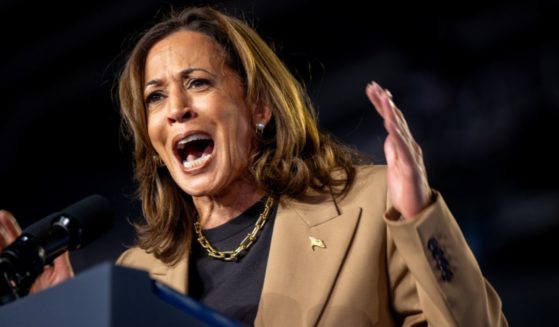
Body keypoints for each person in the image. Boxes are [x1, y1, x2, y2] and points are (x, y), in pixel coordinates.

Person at [0, 6, 507, 326]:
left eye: (198, 82)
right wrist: (61, 315)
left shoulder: (368, 208)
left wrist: (419, 216)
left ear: (259, 107)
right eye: (155, 97)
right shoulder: (137, 272)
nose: (176, 108)